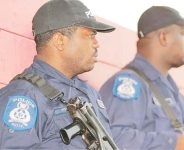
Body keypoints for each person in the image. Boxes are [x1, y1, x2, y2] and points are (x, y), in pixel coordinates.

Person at [0, 0, 115, 149]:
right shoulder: (25, 96)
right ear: (60, 40)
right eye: (89, 36)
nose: (96, 44)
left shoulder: (90, 93)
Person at [100, 6, 184, 150]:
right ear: (163, 37)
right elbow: (114, 138)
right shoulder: (129, 84)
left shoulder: (175, 94)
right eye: (182, 33)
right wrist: (173, 143)